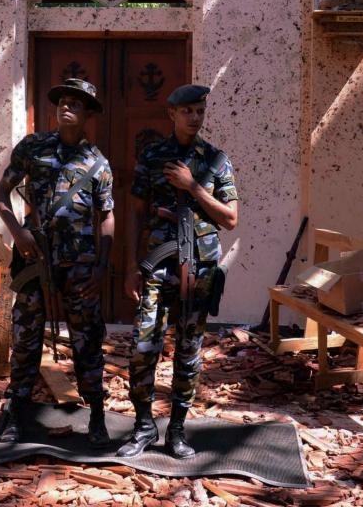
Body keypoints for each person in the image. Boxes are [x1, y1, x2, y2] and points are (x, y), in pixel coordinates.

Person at [0, 78, 115, 448]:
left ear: (88, 114)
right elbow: (0, 193)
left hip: (80, 267)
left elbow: (106, 216)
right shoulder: (32, 148)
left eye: (76, 103)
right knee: (26, 336)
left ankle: (96, 413)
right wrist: (18, 232)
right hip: (34, 257)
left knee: (87, 340)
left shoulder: (98, 163)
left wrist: (103, 267)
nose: (67, 107)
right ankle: (16, 410)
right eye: (62, 101)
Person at [117, 84, 238, 460]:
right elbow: (135, 213)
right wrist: (129, 267)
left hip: (198, 271)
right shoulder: (152, 156)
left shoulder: (217, 160)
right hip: (155, 266)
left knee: (189, 352)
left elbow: (231, 218)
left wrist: (193, 187)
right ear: (172, 114)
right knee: (142, 348)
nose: (194, 117)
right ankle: (142, 426)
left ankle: (178, 430)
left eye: (199, 110)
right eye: (187, 111)